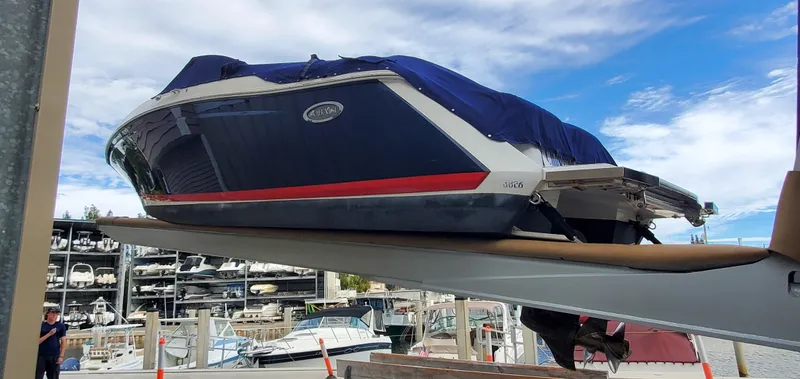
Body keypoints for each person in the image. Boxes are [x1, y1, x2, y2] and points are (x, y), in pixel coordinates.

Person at [37, 306, 66, 379]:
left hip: (54, 356)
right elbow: (37, 342)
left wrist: (61, 356)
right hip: (41, 356)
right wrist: (49, 334)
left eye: (56, 314)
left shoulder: (61, 326)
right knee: (38, 376)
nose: (54, 315)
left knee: (54, 376)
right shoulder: (41, 326)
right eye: (52, 313)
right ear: (47, 314)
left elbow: (63, 341)